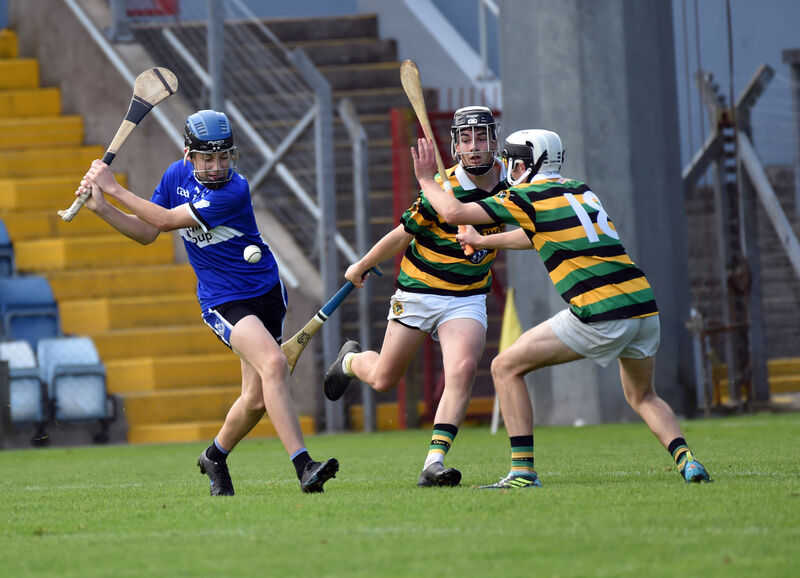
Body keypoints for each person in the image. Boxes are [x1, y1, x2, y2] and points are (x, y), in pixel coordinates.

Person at [411, 128, 712, 488]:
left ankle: (522, 473)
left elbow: (452, 209)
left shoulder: (524, 196)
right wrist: (479, 238)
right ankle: (687, 461)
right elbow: (536, 233)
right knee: (643, 395)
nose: (509, 170)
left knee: (504, 367)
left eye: (511, 163)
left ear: (524, 165)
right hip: (643, 309)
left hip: (598, 311)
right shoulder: (579, 190)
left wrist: (427, 179)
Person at [77, 109, 339, 494]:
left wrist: (114, 188)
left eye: (223, 156)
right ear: (189, 155)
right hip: (223, 300)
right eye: (207, 157)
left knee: (254, 400)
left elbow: (165, 222)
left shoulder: (235, 190)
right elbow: (148, 232)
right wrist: (103, 208)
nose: (217, 166)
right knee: (274, 365)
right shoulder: (175, 176)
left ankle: (214, 456)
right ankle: (304, 466)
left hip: (267, 294)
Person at [323, 106, 507, 488]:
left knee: (463, 369)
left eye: (482, 138)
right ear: (456, 145)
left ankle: (433, 462)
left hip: (466, 296)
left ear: (494, 140)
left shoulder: (512, 186)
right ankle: (352, 361)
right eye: (467, 139)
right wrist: (361, 264)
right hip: (419, 290)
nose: (475, 147)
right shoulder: (439, 189)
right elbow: (402, 234)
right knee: (384, 379)